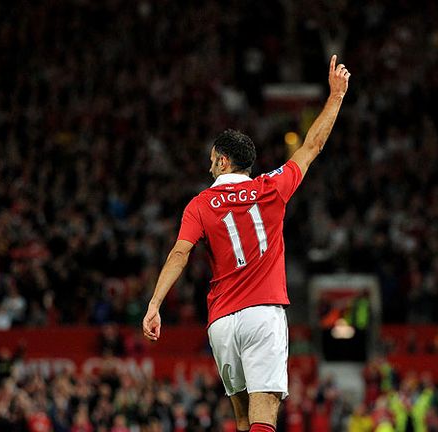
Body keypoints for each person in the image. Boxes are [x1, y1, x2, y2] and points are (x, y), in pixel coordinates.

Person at [142, 55, 350, 432]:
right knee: (264, 415)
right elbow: (312, 145)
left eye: (211, 161)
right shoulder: (271, 188)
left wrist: (155, 304)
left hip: (221, 321)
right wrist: (335, 96)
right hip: (263, 314)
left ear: (222, 162)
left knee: (242, 419)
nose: (209, 167)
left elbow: (179, 253)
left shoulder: (201, 204)